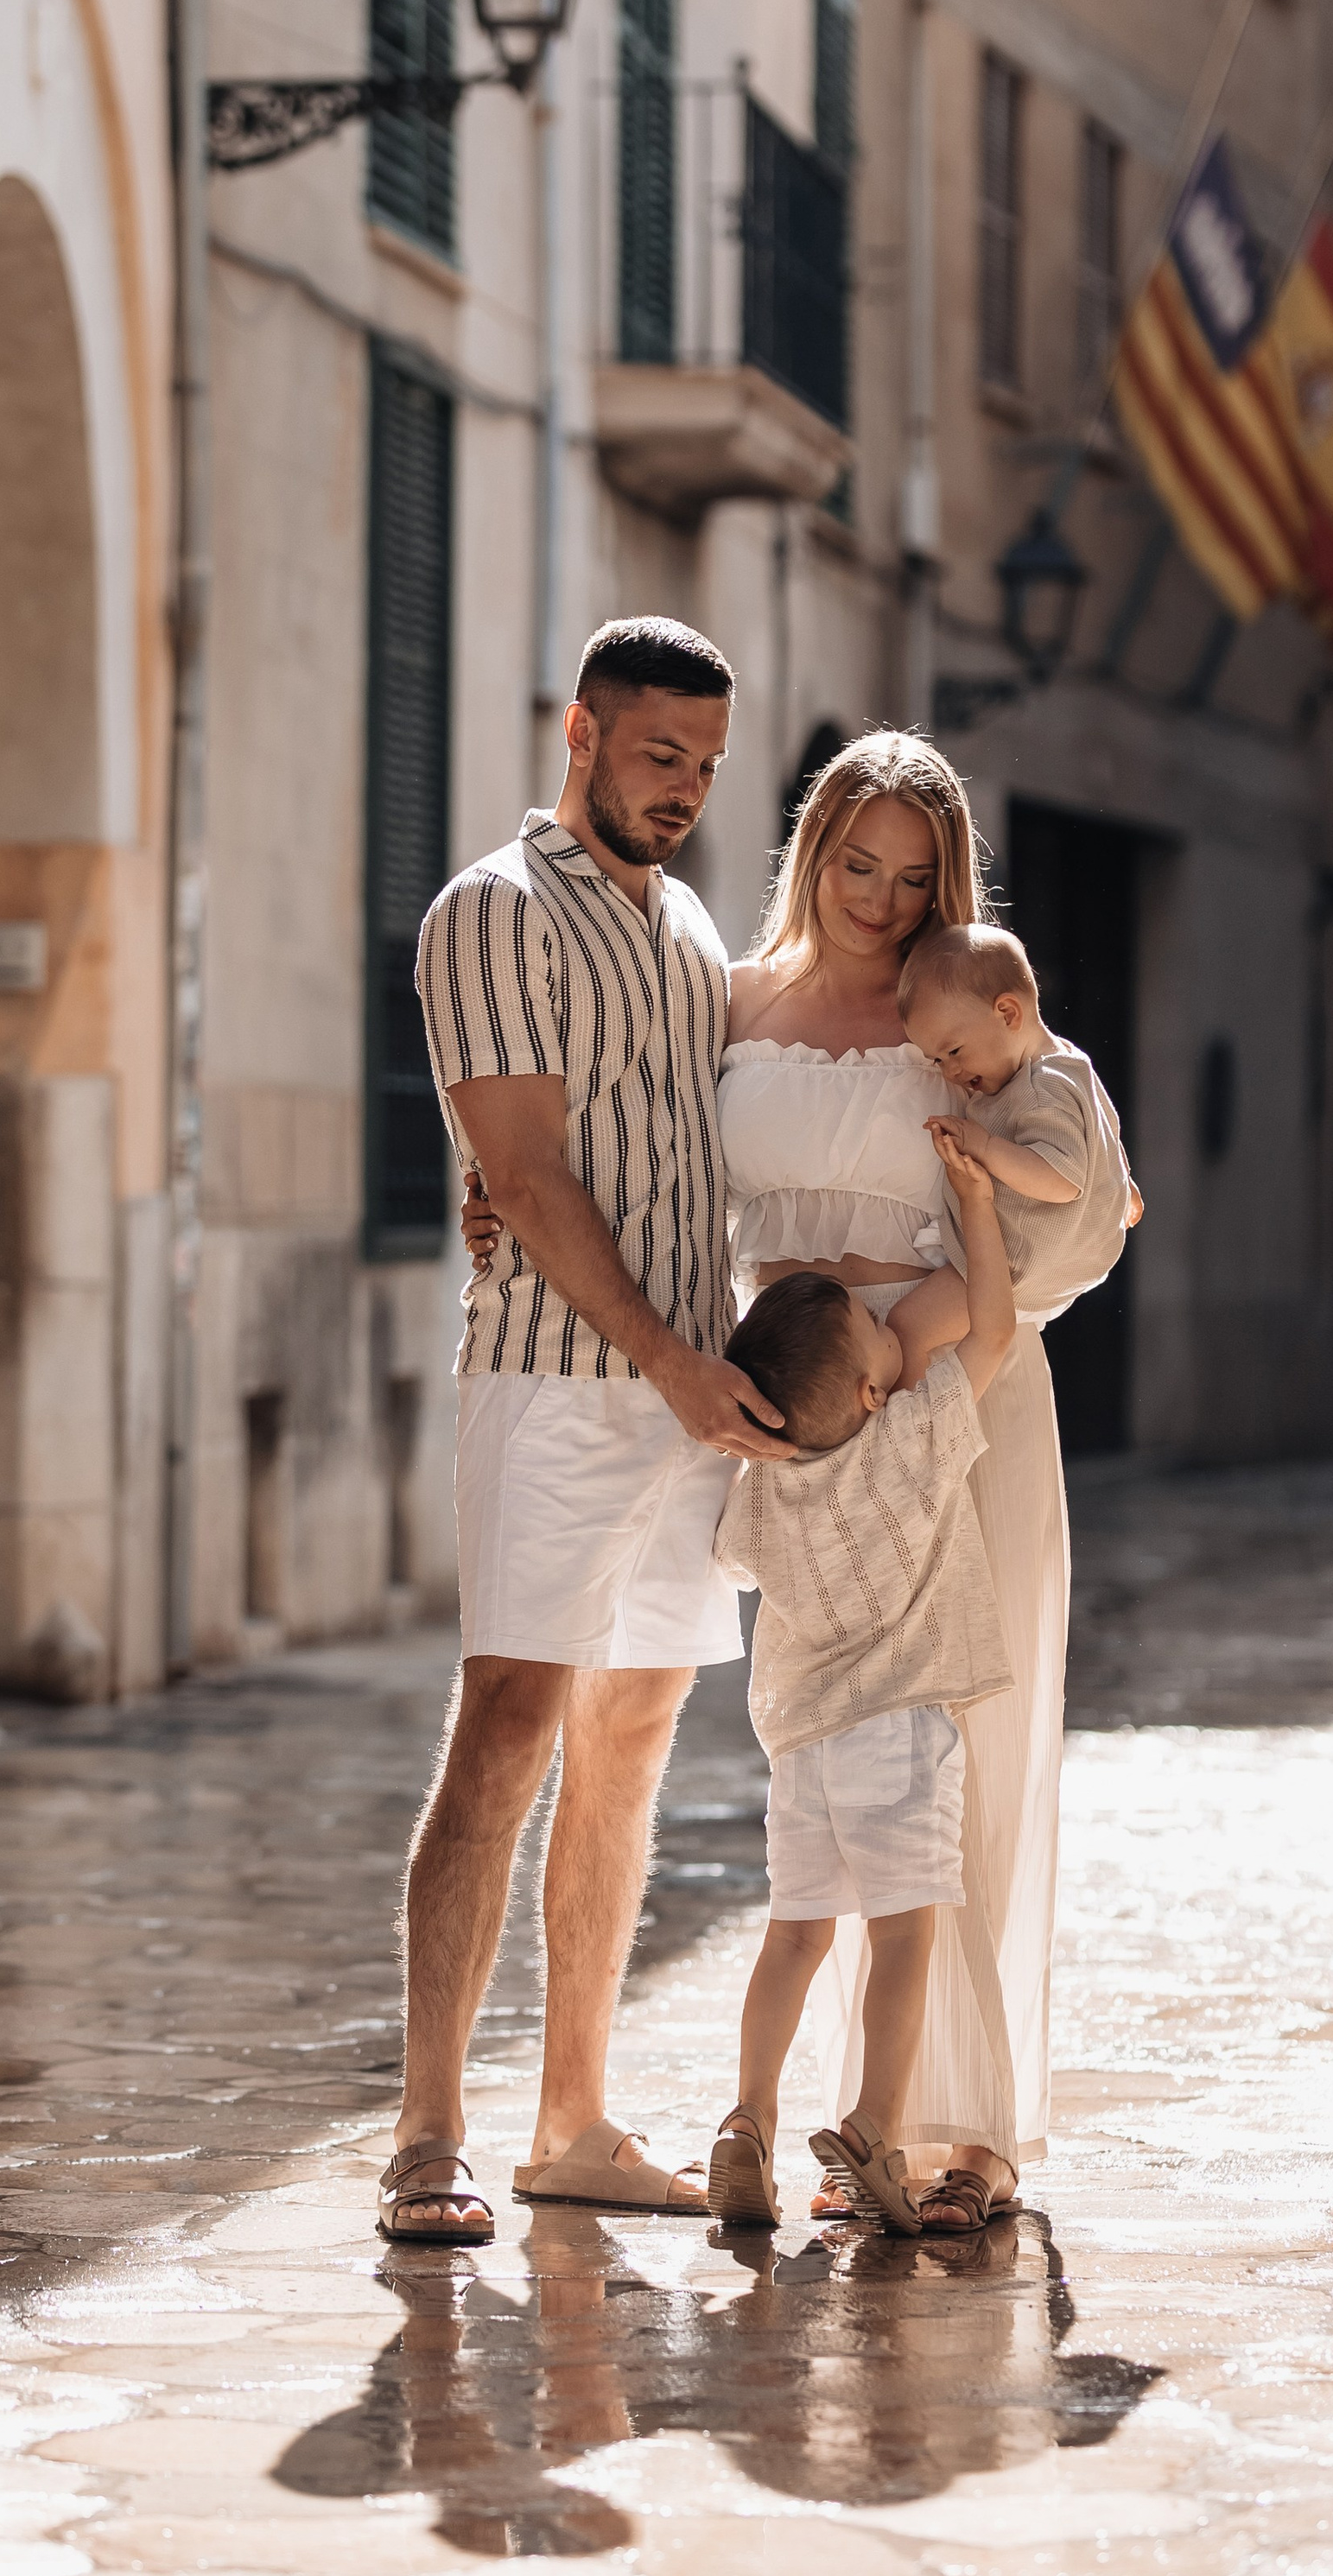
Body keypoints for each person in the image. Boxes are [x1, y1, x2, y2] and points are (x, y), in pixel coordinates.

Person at [464, 727, 1115, 2233]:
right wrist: (491, 1190)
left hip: (956, 1398)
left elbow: (1081, 1210)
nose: (883, 899)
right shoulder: (725, 999)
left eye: (911, 873)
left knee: (972, 1760)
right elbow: (620, 1151)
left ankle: (965, 2130)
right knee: (839, 1771)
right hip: (795, 1418)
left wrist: (930, 1325)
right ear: (810, 850)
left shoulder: (966, 1019)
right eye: (855, 862)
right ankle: (833, 2115)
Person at [380, 616, 791, 2248]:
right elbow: (531, 1180)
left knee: (627, 1751)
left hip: (684, 1401)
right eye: (655, 753)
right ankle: (425, 2132)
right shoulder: (492, 908)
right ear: (581, 731)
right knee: (506, 1727)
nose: (683, 786)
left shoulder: (693, 930)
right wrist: (674, 1367)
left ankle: (573, 2118)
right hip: (559, 1382)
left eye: (703, 760)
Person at [703, 1125, 1019, 2234]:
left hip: (801, 1747)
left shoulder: (766, 1482)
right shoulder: (918, 1435)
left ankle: (745, 2116)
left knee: (795, 1932)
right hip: (901, 1730)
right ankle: (877, 2124)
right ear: (880, 1396)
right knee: (902, 1935)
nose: (894, 1335)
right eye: (879, 1338)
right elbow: (992, 1323)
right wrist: (978, 1208)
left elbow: (733, 1558)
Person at [902, 922, 1135, 1316]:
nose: (949, 1072)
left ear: (1008, 1013)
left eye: (955, 1051)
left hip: (1009, 1266)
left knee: (909, 1324)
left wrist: (984, 1145)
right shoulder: (1070, 1061)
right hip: (1033, 1265)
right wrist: (1120, 1186)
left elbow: (1062, 1179)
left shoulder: (1043, 1087)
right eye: (938, 1060)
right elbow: (1103, 1131)